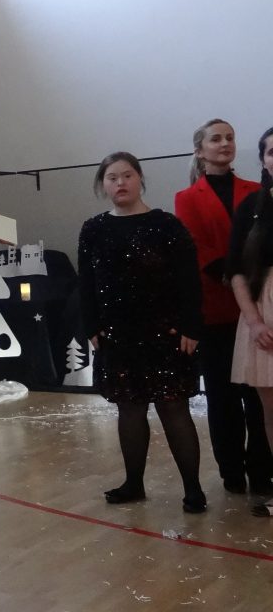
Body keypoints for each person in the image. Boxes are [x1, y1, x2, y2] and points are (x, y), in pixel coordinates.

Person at [78, 152, 206, 513]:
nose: (120, 183)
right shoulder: (93, 229)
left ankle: (193, 488)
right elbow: (86, 283)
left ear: (140, 180)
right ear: (103, 185)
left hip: (165, 333)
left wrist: (191, 325)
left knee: (173, 408)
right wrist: (91, 326)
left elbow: (189, 281)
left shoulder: (166, 225)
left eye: (127, 175)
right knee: (130, 409)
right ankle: (133, 482)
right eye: (112, 177)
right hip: (118, 335)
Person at [175, 119, 272, 495]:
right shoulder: (188, 198)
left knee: (260, 399)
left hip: (258, 303)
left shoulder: (255, 191)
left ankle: (262, 471)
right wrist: (234, 277)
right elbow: (197, 246)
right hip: (216, 308)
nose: (225, 143)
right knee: (222, 397)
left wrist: (248, 285)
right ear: (200, 151)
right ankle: (231, 471)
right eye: (215, 139)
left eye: (230, 137)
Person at [227, 126, 273, 516]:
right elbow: (236, 271)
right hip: (263, 311)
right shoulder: (251, 207)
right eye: (272, 152)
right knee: (271, 412)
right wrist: (255, 322)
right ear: (263, 160)